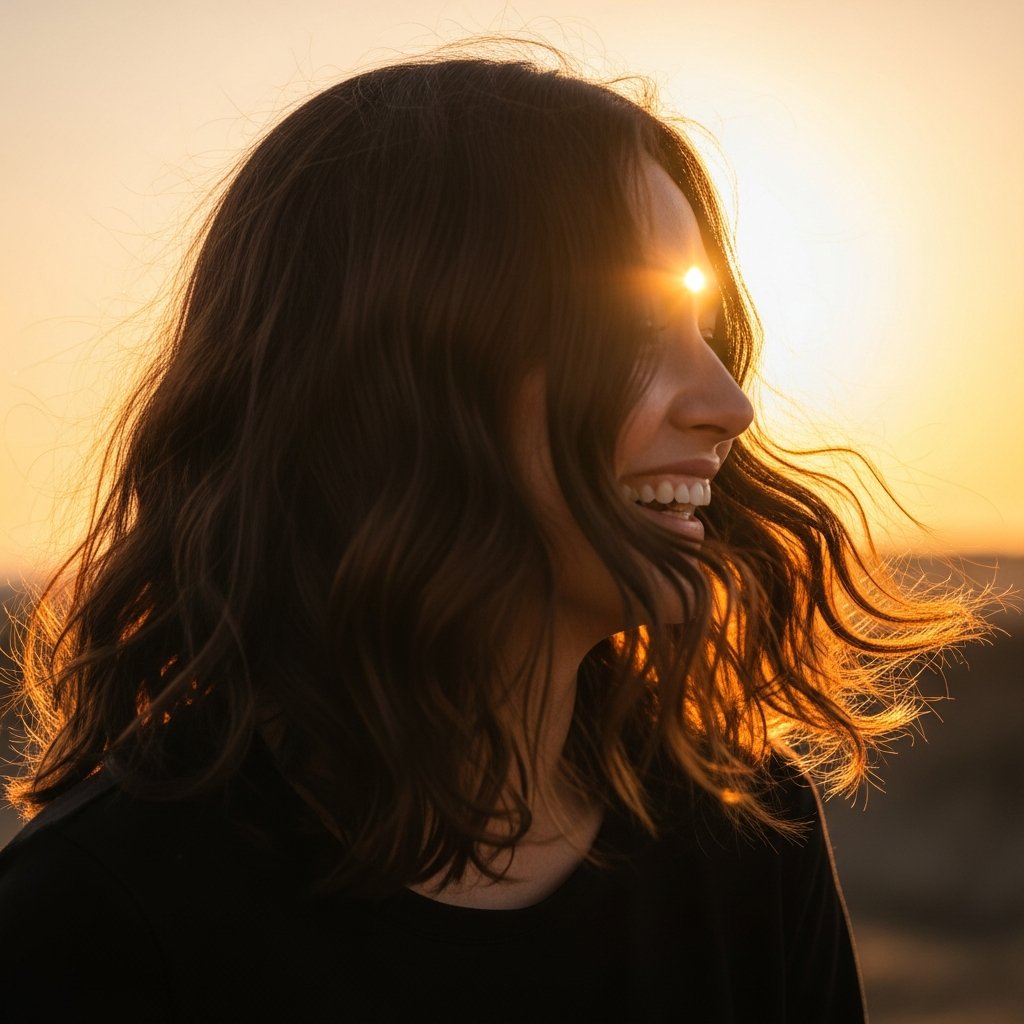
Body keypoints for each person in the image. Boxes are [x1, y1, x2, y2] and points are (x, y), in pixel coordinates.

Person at [0, 46, 990, 1022]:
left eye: (708, 334)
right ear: (394, 386)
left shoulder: (742, 837)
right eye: (634, 330)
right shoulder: (95, 916)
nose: (727, 403)